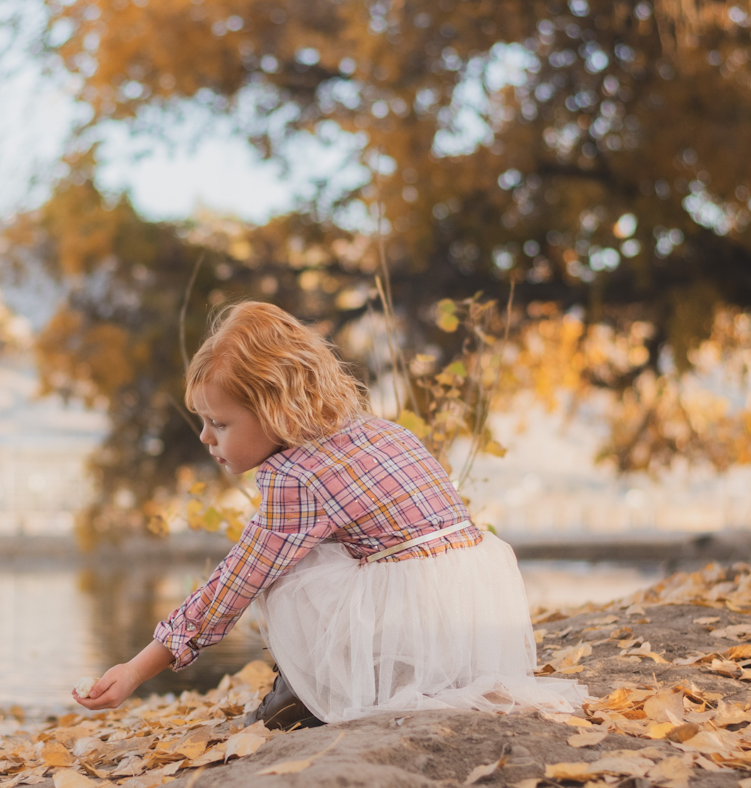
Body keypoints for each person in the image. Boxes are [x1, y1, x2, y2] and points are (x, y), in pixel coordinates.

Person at [72, 301, 583, 725]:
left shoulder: (293, 477)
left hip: (420, 612)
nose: (205, 438)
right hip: (471, 615)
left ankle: (312, 688)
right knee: (313, 551)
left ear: (276, 409)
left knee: (280, 572)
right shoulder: (381, 431)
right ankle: (394, 674)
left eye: (219, 423)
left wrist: (138, 668)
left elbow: (233, 585)